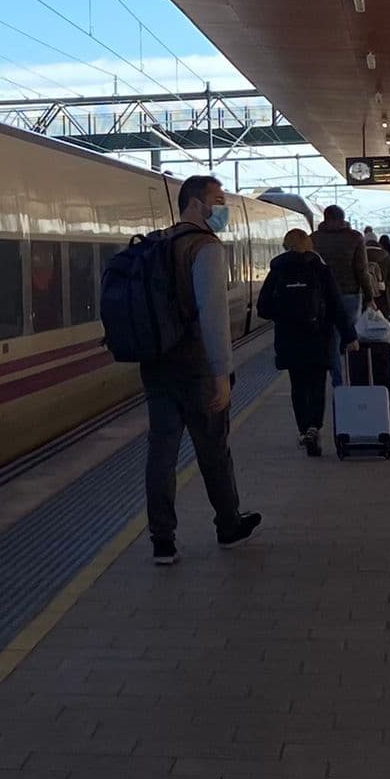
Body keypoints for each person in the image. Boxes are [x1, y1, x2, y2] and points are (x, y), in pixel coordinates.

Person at [141, 175, 263, 565]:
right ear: (195, 203)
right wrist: (221, 373)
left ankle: (162, 540)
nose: (223, 208)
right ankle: (228, 525)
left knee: (161, 453)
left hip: (157, 366)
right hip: (197, 368)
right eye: (218, 200)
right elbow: (213, 316)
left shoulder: (157, 242)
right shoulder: (205, 247)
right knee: (213, 451)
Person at [257, 228, 359, 457]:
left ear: (286, 245)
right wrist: (350, 336)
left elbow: (262, 308)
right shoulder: (320, 269)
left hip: (289, 339)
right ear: (309, 244)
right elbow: (336, 305)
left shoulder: (278, 269)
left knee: (298, 385)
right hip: (318, 337)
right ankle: (314, 426)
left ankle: (304, 429)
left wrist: (283, 315)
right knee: (317, 384)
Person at [311, 205, 370, 386]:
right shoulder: (355, 238)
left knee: (332, 340)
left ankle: (338, 381)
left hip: (323, 297)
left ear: (325, 217)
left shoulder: (314, 239)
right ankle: (354, 378)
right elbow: (362, 269)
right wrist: (369, 294)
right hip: (350, 294)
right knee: (351, 337)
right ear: (343, 218)